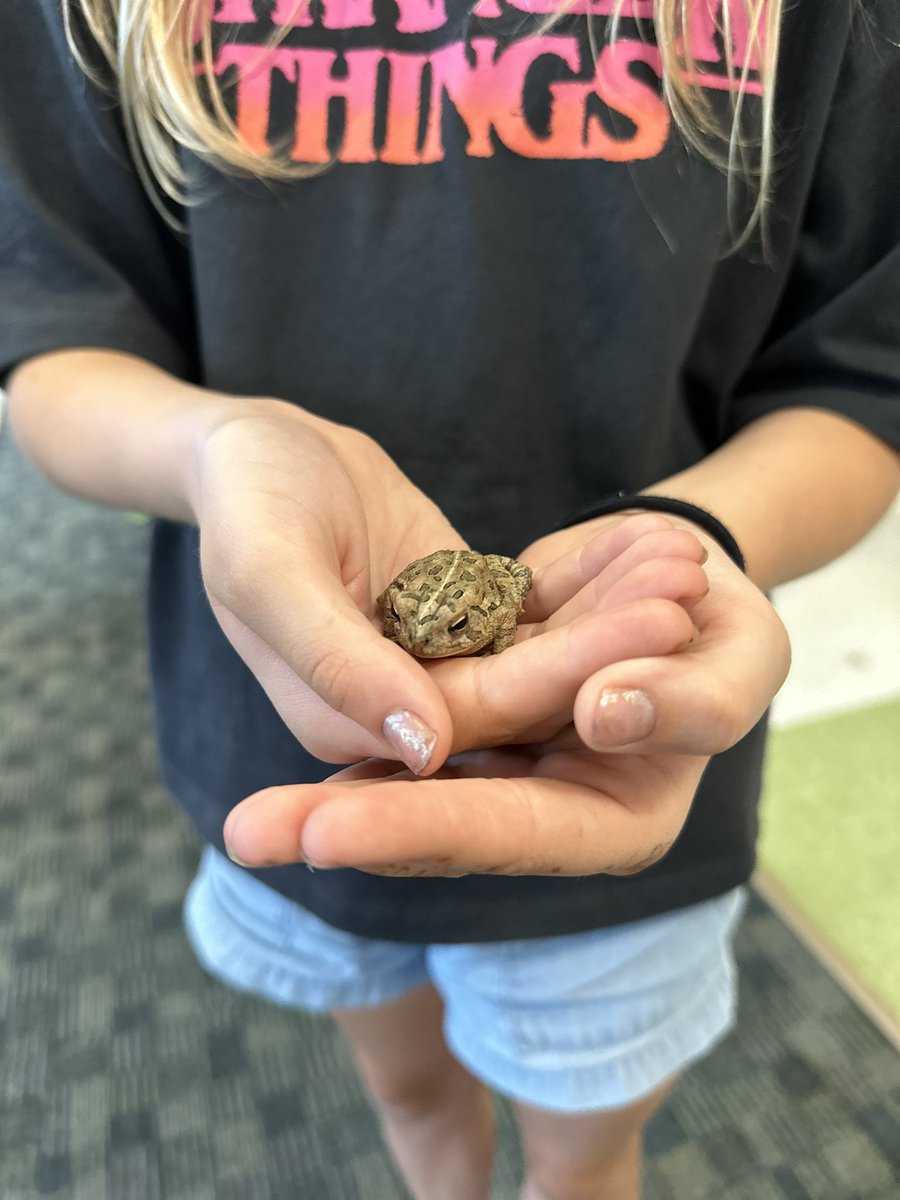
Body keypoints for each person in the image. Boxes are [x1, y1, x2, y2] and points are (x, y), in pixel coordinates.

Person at [2, 1, 898, 1196]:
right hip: (282, 731)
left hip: (636, 752)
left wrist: (694, 540)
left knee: (584, 1154)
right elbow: (57, 341)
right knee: (410, 1091)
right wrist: (218, 446)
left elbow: (859, 377)